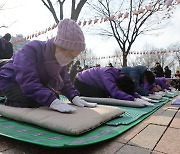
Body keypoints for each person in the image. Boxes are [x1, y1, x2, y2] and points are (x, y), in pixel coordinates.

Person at [0, 18, 97, 113]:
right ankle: (10, 102)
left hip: (31, 83)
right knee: (35, 100)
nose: (70, 60)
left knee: (54, 97)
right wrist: (51, 101)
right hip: (11, 81)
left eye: (73, 57)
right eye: (69, 55)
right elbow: (27, 79)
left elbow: (65, 81)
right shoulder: (32, 49)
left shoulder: (60, 58)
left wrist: (74, 96)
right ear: (59, 46)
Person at [74, 66, 141, 101]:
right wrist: (133, 99)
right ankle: (77, 92)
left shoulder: (120, 76)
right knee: (103, 95)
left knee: (107, 93)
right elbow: (114, 92)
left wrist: (138, 96)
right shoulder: (108, 75)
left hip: (92, 81)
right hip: (80, 82)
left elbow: (128, 88)